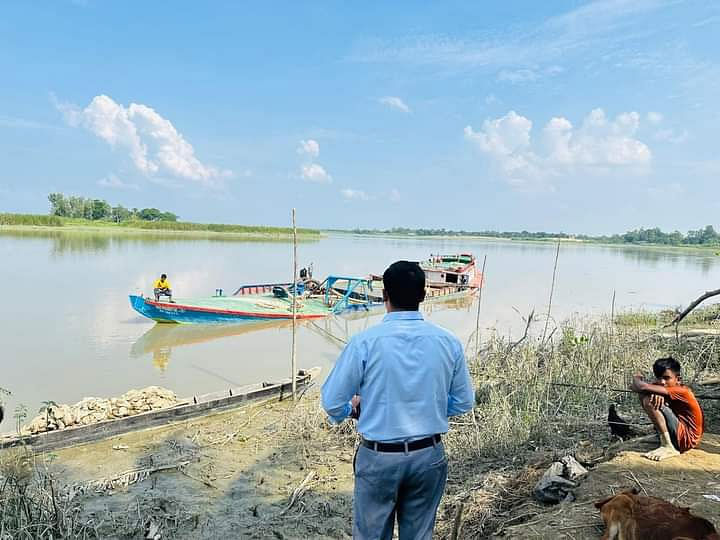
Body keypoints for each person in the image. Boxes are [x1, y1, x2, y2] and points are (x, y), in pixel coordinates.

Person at [321, 260, 475, 539]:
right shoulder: (447, 341)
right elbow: (464, 401)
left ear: (384, 296)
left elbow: (332, 403)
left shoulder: (365, 342)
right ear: (423, 296)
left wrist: (353, 408)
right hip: (428, 456)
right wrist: (431, 405)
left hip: (379, 458)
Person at [630, 356, 704, 461]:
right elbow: (634, 388)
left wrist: (636, 378)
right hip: (680, 432)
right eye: (659, 378)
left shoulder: (683, 391)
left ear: (678, 379)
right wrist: (655, 391)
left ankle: (668, 445)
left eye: (666, 378)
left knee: (649, 400)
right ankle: (664, 438)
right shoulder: (665, 385)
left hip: (687, 438)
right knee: (645, 395)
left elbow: (641, 387)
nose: (662, 382)